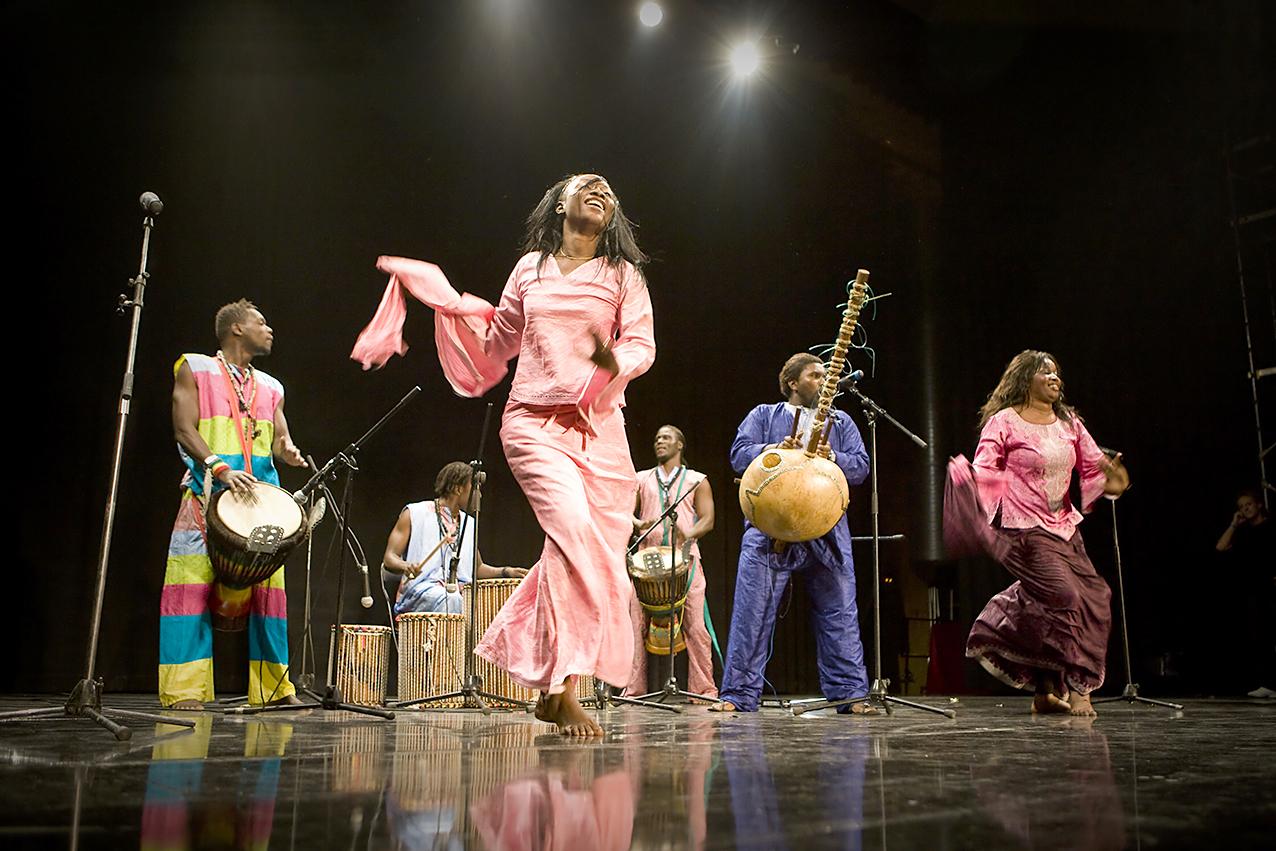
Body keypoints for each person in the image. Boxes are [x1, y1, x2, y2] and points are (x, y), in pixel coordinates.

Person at [352, 173, 654, 736]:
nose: (601, 192)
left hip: (600, 432)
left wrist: (615, 363)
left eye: (610, 192)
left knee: (595, 552)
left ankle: (553, 691)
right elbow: (499, 343)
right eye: (588, 185)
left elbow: (641, 343)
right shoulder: (531, 269)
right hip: (534, 424)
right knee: (569, 532)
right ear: (560, 203)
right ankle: (561, 686)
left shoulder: (622, 275)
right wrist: (449, 306)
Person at [944, 350, 1129, 717]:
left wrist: (1113, 474)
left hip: (1065, 529)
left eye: (1057, 372)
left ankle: (1044, 689)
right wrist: (971, 482)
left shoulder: (1069, 422)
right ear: (1024, 378)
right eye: (1046, 371)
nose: (1055, 377)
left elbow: (1095, 464)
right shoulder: (1004, 422)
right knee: (1067, 597)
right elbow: (985, 469)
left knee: (1096, 596)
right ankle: (1079, 688)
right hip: (1025, 530)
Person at [159, 300, 306, 710]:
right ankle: (184, 691)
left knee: (270, 600)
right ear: (236, 329)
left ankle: (275, 690)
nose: (269, 328)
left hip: (259, 505)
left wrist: (287, 450)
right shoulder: (195, 368)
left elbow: (280, 439)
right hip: (207, 495)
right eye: (261, 322)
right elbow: (183, 429)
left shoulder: (272, 387)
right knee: (188, 592)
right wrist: (218, 467)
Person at [712, 353, 873, 714]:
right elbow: (739, 455)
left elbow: (860, 466)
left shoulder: (840, 421)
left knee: (840, 614)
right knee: (752, 613)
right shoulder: (765, 416)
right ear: (793, 383)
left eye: (824, 375)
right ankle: (738, 695)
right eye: (814, 375)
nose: (823, 381)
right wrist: (774, 450)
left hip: (826, 527)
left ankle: (850, 694)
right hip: (771, 528)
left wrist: (835, 458)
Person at [625, 425, 718, 700]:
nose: (659, 441)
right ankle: (633, 690)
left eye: (666, 437)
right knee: (635, 625)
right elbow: (625, 512)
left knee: (697, 627)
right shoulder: (641, 479)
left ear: (680, 445)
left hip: (686, 560)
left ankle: (703, 689)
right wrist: (638, 523)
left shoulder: (696, 480)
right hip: (646, 563)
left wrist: (688, 532)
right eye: (656, 438)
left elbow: (708, 519)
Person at [381, 460, 527, 615]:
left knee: (498, 602)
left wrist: (506, 572)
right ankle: (449, 640)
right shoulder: (415, 513)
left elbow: (477, 568)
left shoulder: (468, 524)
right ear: (458, 489)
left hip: (459, 592)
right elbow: (389, 558)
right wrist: (406, 566)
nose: (480, 494)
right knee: (451, 599)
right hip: (420, 592)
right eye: (474, 488)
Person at [1214, 488, 1275, 698]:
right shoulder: (1244, 531)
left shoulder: (1270, 527)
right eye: (1241, 507)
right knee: (1261, 636)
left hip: (1271, 587)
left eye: (1248, 504)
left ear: (1259, 505)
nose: (1245, 509)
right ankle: (1269, 683)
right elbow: (1221, 547)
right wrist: (1234, 523)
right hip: (1254, 590)